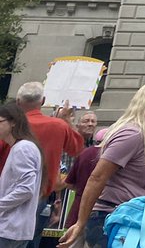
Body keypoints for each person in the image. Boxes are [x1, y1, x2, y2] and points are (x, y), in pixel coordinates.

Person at [57, 81, 145, 248]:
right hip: (113, 218)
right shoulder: (132, 134)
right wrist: (81, 223)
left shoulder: (144, 135)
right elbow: (97, 177)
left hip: (127, 218)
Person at [2, 82, 84, 248]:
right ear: (43, 100)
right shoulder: (58, 125)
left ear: (18, 102)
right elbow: (78, 149)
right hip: (41, 195)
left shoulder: (11, 129)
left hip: (9, 197)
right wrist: (67, 120)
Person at [0, 103, 45, 248]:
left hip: (10, 228)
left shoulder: (23, 148)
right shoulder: (22, 147)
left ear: (13, 122)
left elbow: (25, 189)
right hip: (13, 228)